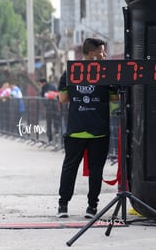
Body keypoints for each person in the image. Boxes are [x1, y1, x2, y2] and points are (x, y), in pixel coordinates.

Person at [56, 38, 119, 218]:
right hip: (99, 131)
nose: (104, 55)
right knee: (96, 169)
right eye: (102, 52)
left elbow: (62, 99)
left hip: (76, 129)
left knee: (70, 167)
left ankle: (63, 206)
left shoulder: (70, 72)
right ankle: (92, 208)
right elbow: (115, 98)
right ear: (91, 53)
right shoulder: (106, 74)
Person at [37, 78, 60, 143]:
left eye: (40, 84)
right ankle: (56, 134)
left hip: (49, 107)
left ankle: (50, 138)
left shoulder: (44, 88)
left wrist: (45, 104)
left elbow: (42, 96)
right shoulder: (53, 86)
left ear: (42, 83)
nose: (40, 85)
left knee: (49, 122)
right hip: (55, 106)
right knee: (56, 122)